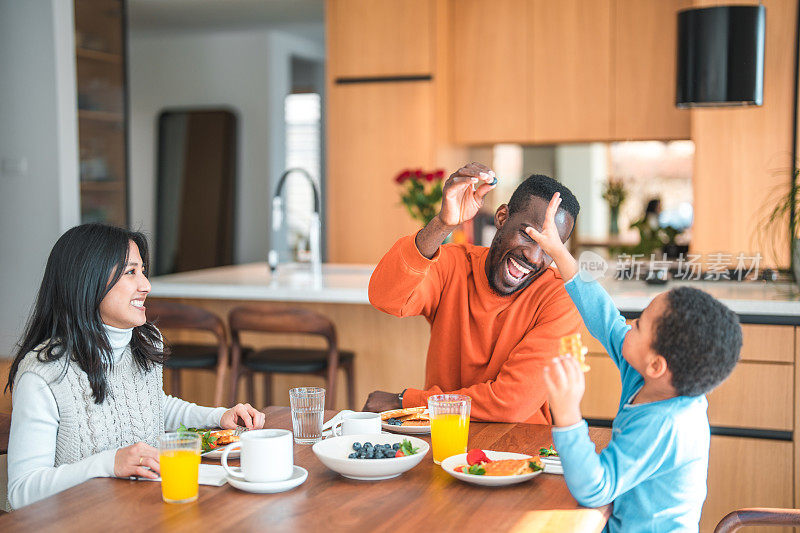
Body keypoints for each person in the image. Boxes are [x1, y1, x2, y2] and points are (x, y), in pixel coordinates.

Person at [5, 224, 266, 510]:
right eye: (131, 272)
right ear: (87, 280)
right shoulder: (44, 375)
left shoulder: (143, 343)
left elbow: (152, 405)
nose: (146, 285)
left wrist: (218, 417)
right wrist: (108, 463)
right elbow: (21, 492)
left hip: (142, 510)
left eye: (143, 271)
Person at [528, 192, 741, 532]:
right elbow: (605, 318)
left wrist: (567, 414)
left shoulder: (667, 424)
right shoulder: (651, 377)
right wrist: (558, 252)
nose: (629, 326)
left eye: (639, 325)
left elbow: (595, 490)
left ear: (657, 365)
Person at [363, 163, 582, 423]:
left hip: (521, 449)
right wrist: (443, 224)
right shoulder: (454, 264)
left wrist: (406, 402)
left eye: (550, 248)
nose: (534, 257)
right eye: (528, 235)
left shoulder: (561, 299)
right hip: (443, 436)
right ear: (502, 218)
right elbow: (385, 297)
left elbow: (509, 404)